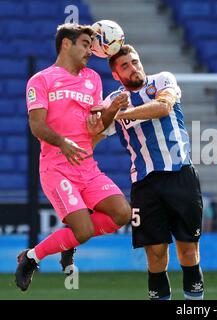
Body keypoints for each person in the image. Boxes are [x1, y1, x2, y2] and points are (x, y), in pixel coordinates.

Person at [16, 23, 131, 291]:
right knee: (84, 231)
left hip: (87, 167)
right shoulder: (41, 80)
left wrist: (112, 109)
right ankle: (31, 258)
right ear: (66, 44)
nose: (90, 50)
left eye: (92, 45)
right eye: (84, 44)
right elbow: (37, 125)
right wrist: (62, 142)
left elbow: (98, 125)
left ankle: (67, 243)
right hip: (57, 168)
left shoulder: (93, 79)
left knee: (122, 213)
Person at [92, 45, 204, 300]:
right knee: (155, 255)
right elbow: (92, 137)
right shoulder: (111, 102)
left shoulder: (163, 80)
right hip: (144, 185)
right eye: (125, 66)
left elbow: (163, 107)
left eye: (135, 62)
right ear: (116, 75)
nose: (133, 68)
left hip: (180, 176)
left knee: (188, 251)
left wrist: (119, 115)